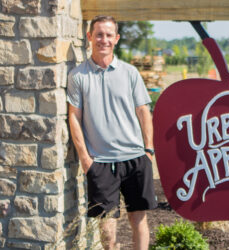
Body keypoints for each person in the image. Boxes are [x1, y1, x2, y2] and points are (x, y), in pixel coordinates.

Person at [67, 15, 157, 250]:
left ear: (116, 39)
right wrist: (86, 159)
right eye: (98, 34)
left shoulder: (130, 73)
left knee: (138, 219)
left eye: (108, 35)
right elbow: (74, 117)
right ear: (89, 37)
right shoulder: (77, 76)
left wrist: (148, 150)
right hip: (101, 163)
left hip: (136, 158)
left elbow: (143, 112)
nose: (103, 40)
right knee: (107, 228)